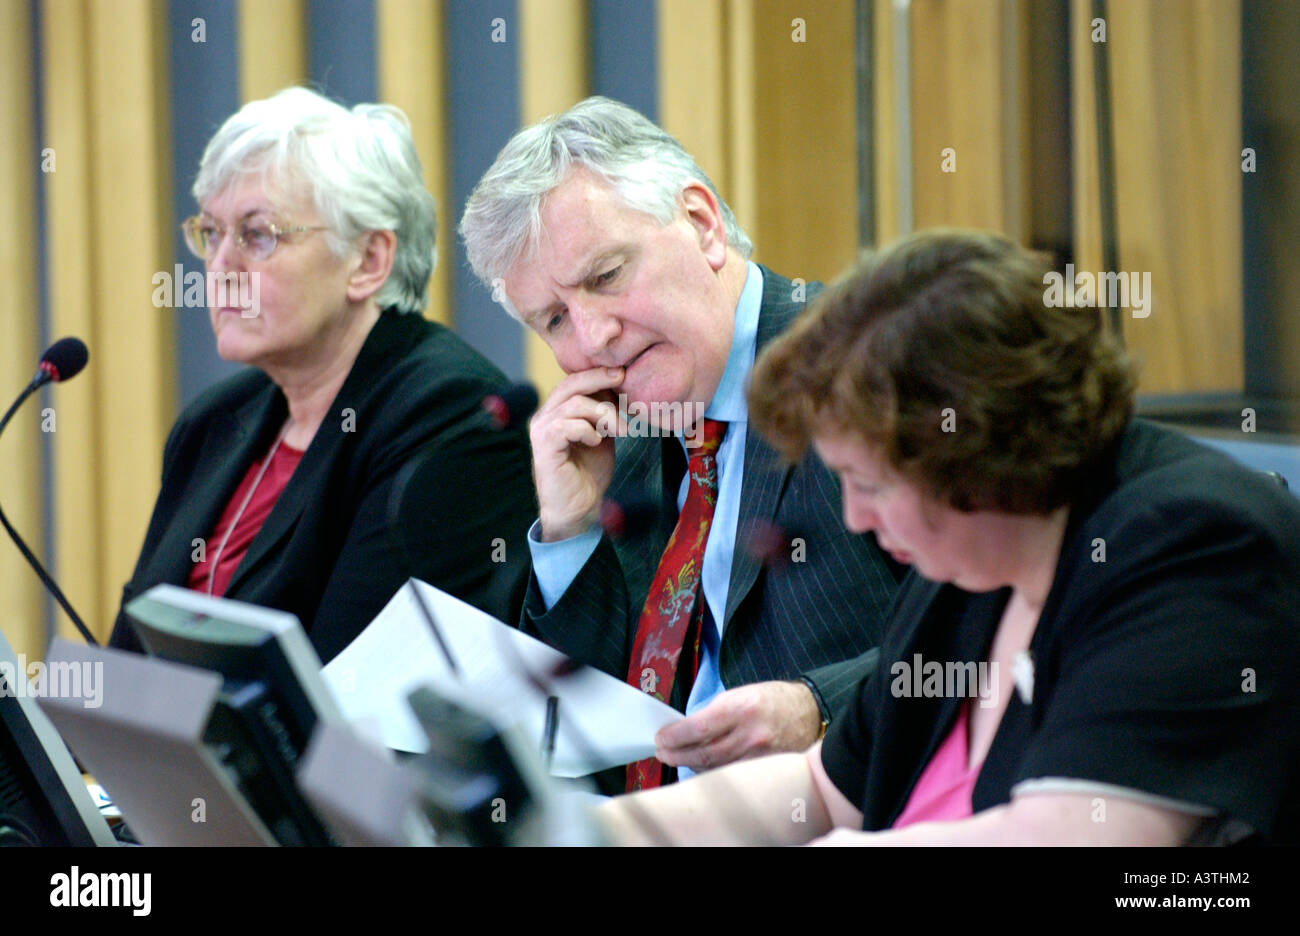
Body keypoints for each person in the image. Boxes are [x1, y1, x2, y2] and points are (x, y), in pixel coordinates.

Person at [595, 228, 1300, 845]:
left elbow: (1078, 840)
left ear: (977, 450)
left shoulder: (1191, 541)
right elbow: (816, 793)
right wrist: (592, 834)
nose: (855, 519)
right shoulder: (964, 567)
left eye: (870, 485)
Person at [459, 96, 900, 790]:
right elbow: (571, 744)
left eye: (605, 276)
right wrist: (572, 531)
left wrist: (818, 709)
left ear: (702, 223)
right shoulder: (624, 451)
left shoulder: (871, 365)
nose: (593, 336)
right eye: (554, 320)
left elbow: (997, 630)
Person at [109, 88, 536, 663]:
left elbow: (344, 698)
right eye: (211, 233)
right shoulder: (213, 422)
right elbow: (127, 662)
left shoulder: (449, 414)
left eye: (258, 234)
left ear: (368, 261)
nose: (220, 266)